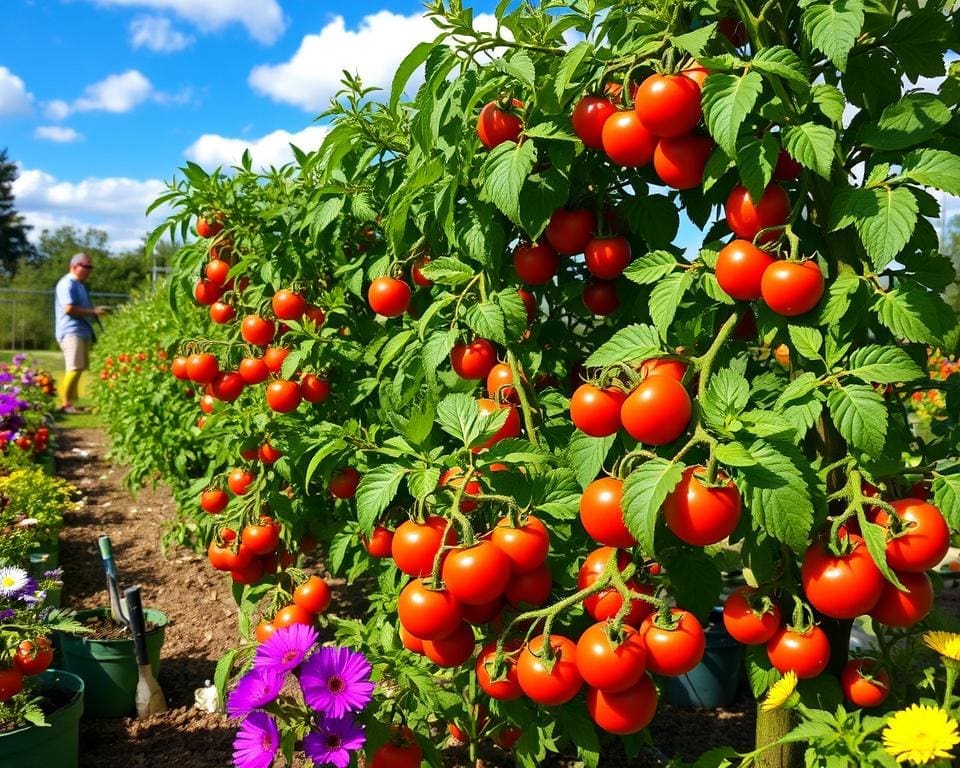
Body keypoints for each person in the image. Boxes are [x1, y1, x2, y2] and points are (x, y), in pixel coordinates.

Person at [54, 253, 107, 413]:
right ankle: (64, 404)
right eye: (86, 266)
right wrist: (93, 312)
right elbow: (68, 309)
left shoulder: (80, 285)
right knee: (74, 367)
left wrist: (93, 314)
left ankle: (71, 403)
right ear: (74, 266)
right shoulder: (67, 284)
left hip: (82, 330)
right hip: (70, 330)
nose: (89, 270)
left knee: (80, 367)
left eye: (90, 267)